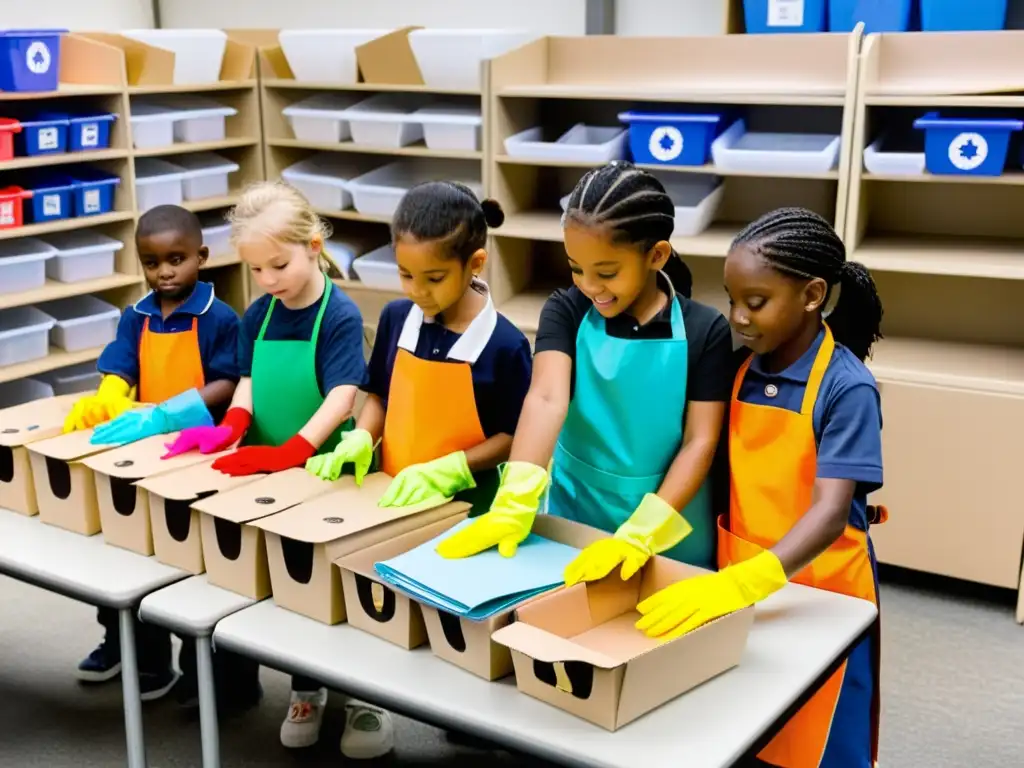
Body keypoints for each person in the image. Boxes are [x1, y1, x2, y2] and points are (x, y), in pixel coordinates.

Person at [636, 208, 885, 768]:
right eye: (732, 299)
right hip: (745, 582)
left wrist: (748, 583)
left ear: (813, 295)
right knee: (748, 728)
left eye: (756, 302)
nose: (738, 317)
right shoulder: (740, 363)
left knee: (818, 738)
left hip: (824, 596)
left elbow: (828, 513)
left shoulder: (847, 389)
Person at [436, 161, 736, 588]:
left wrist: (644, 531)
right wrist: (515, 496)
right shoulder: (567, 309)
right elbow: (545, 398)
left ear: (657, 255)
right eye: (577, 268)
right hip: (574, 516)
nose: (590, 286)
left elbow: (700, 441)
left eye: (607, 273)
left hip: (667, 527)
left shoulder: (706, 330)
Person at [161, 182, 377, 759]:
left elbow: (343, 395)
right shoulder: (259, 313)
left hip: (325, 467)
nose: (268, 279)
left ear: (312, 246)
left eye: (278, 264)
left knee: (334, 584)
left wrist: (297, 450)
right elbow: (251, 380)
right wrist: (232, 425)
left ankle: (363, 695)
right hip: (268, 468)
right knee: (287, 582)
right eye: (257, 269)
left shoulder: (339, 313)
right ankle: (306, 687)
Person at [65, 205, 240, 701]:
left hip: (198, 452)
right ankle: (135, 652)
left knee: (187, 562)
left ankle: (198, 669)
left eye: (176, 259)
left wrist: (168, 413)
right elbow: (120, 365)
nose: (164, 271)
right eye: (151, 262)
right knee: (124, 553)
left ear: (201, 257)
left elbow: (227, 383)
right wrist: (110, 397)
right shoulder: (135, 316)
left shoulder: (220, 318)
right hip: (140, 454)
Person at [307, 181, 533, 515]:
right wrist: (364, 437)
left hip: (465, 508)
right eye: (405, 275)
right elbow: (381, 395)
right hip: (390, 497)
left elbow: (516, 436)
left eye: (435, 278)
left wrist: (451, 469)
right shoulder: (396, 318)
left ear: (475, 263)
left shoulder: (504, 344)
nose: (418, 291)